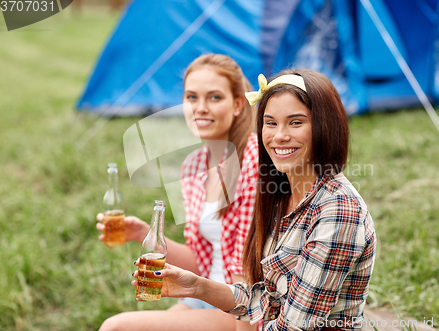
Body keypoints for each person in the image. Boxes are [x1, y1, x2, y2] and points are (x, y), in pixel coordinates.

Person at [134, 69, 377, 331]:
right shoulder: (280, 194)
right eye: (270, 123)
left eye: (295, 122)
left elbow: (294, 326)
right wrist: (196, 286)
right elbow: (265, 300)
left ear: (324, 126)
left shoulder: (337, 210)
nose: (279, 136)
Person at [97, 54, 259, 331]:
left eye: (215, 97)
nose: (200, 108)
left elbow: (250, 273)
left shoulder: (256, 159)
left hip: (247, 304)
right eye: (191, 97)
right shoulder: (193, 166)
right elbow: (201, 260)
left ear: (238, 104)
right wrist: (142, 232)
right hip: (206, 294)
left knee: (116, 327)